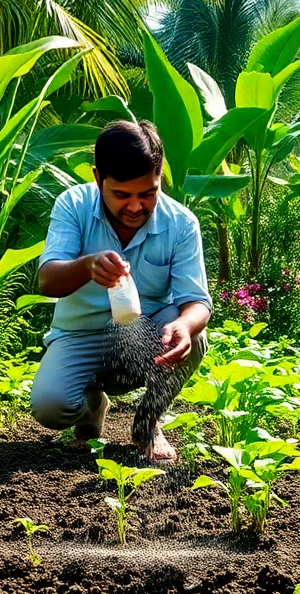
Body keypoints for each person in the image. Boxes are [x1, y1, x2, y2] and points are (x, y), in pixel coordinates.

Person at [30, 121, 211, 461]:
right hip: (82, 335)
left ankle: (147, 423)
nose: (135, 207)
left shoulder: (181, 223)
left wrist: (184, 325)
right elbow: (48, 280)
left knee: (195, 337)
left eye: (148, 194)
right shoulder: (73, 205)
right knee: (49, 407)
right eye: (122, 195)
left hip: (147, 336)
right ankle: (91, 408)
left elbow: (197, 301)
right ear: (98, 178)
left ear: (160, 178)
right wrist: (87, 266)